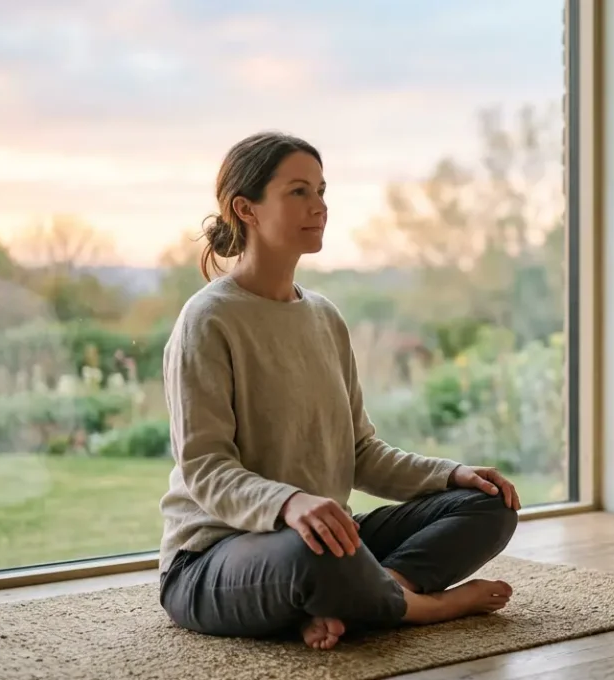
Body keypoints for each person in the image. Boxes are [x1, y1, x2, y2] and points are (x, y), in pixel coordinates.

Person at [157, 131, 521, 651]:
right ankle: (421, 607)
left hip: (327, 538)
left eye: (323, 191)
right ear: (247, 209)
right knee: (316, 556)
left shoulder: (325, 317)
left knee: (489, 506)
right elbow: (206, 469)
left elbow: (362, 453)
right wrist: (290, 503)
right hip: (215, 557)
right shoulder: (208, 319)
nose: (320, 206)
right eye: (299, 192)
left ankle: (361, 597)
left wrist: (451, 474)